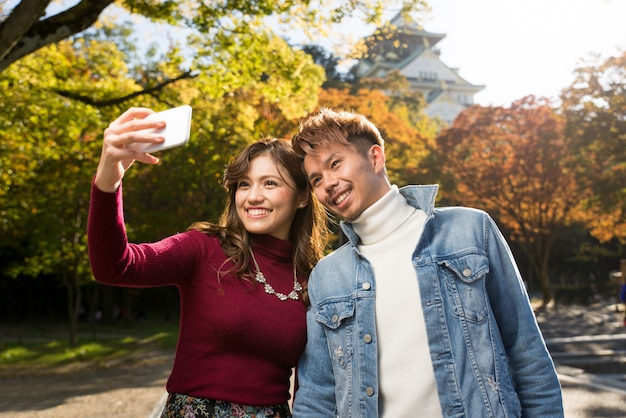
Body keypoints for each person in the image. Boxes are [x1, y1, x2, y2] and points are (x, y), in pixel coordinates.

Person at [290, 108, 564, 417]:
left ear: (376, 157)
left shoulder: (470, 231)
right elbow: (317, 394)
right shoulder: (328, 275)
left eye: (335, 163)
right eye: (316, 179)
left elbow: (527, 355)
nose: (328, 183)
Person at [87, 107, 328, 417]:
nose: (252, 196)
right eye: (243, 184)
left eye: (270, 183)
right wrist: (109, 179)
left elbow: (315, 384)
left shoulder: (315, 278)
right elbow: (114, 266)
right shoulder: (204, 248)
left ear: (302, 197)